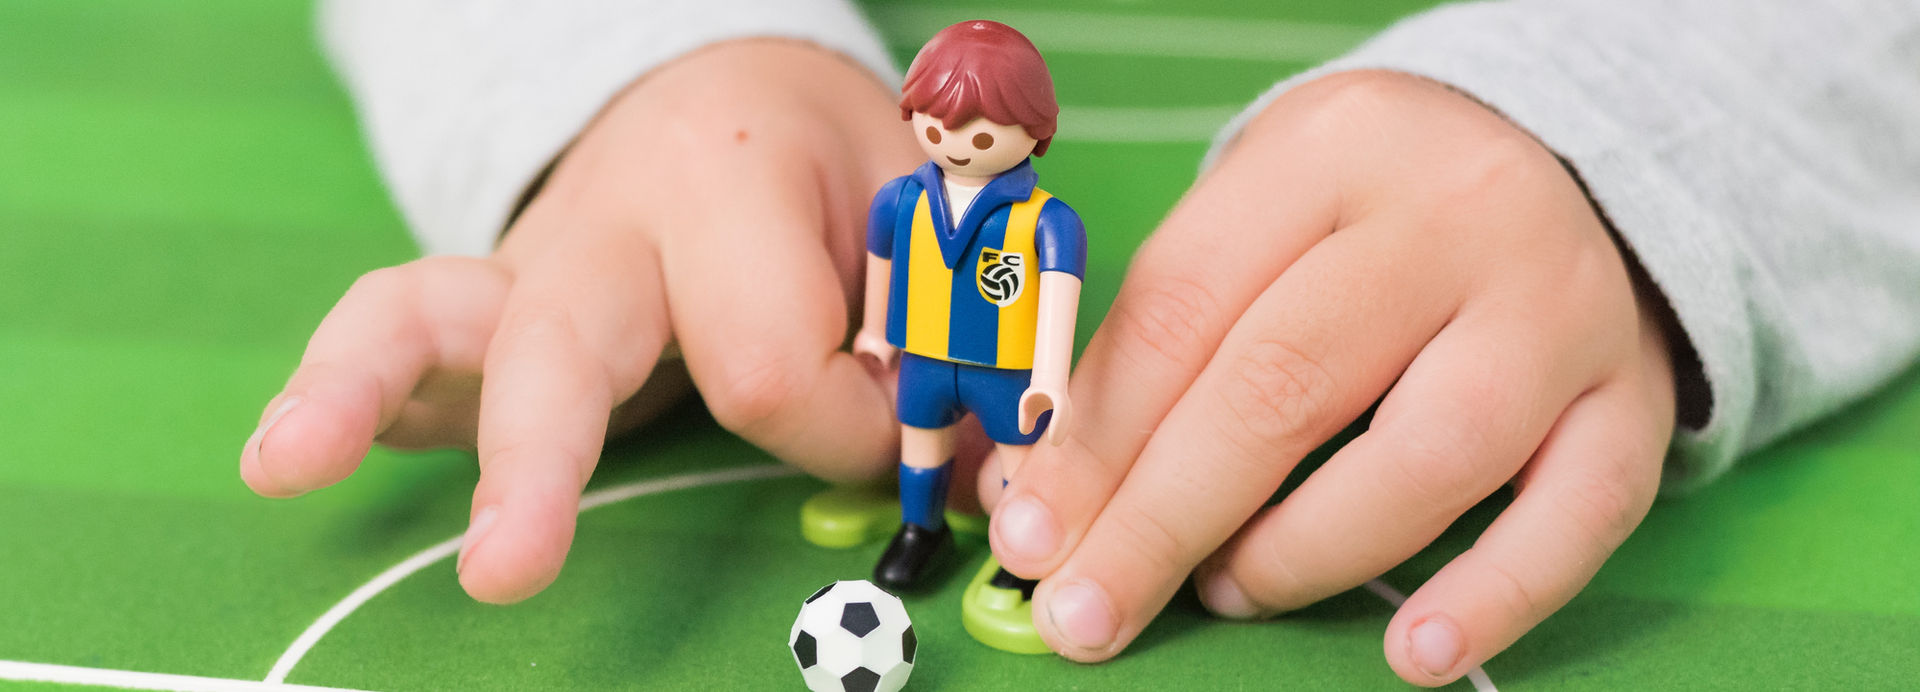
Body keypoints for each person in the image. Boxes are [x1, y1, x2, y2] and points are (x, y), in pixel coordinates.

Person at [240, 0, 1920, 686]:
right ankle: (917, 516)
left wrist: (1639, 139)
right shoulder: (920, 217)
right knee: (912, 457)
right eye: (948, 139)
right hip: (919, 384)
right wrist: (643, 64)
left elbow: (1040, 299)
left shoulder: (1033, 228)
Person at [855, 20, 1085, 654]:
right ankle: (920, 530)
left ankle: (1017, 552)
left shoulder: (1046, 220)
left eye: (980, 132)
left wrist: (1050, 378)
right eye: (935, 124)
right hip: (925, 356)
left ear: (1034, 131)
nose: (955, 143)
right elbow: (882, 260)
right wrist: (875, 330)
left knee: (1019, 464)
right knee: (921, 445)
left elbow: (1061, 295)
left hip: (1006, 370)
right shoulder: (901, 199)